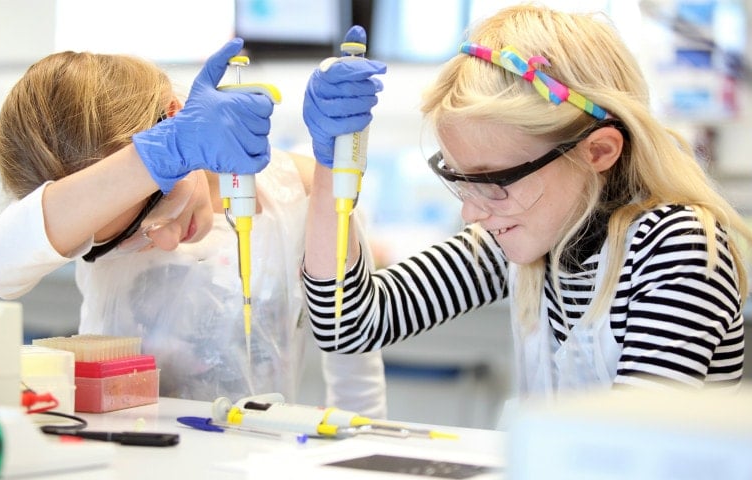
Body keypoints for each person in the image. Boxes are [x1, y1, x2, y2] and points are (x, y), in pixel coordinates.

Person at [301, 7, 751, 406]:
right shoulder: (538, 235)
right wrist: (332, 160)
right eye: (461, 180)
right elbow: (347, 324)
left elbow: (631, 455)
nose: (471, 213)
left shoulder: (676, 248)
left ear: (597, 151)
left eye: (494, 181)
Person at [0, 39, 386, 416]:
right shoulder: (81, 217)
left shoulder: (301, 191)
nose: (164, 240)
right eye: (126, 239)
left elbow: (354, 368)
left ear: (174, 116)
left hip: (254, 462)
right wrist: (156, 159)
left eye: (159, 204)